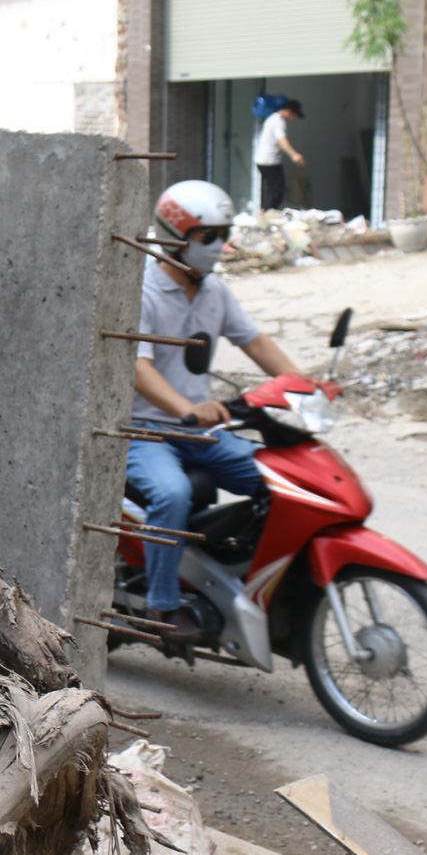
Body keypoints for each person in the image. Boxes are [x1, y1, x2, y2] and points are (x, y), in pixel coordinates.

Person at [128, 180, 304, 641]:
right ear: (174, 235)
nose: (220, 245)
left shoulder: (214, 291)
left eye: (224, 234)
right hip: (145, 430)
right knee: (172, 495)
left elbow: (257, 343)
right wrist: (188, 408)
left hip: (198, 431)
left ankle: (243, 580)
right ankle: (162, 607)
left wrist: (302, 387)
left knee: (283, 482)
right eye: (209, 236)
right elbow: (139, 369)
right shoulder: (141, 290)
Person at [254, 99, 305, 212]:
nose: (293, 118)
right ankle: (265, 214)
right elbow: (282, 140)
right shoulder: (278, 121)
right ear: (289, 111)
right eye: (294, 115)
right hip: (269, 161)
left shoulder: (272, 119)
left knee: (275, 189)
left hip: (266, 161)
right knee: (277, 189)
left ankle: (267, 212)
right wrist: (294, 155)